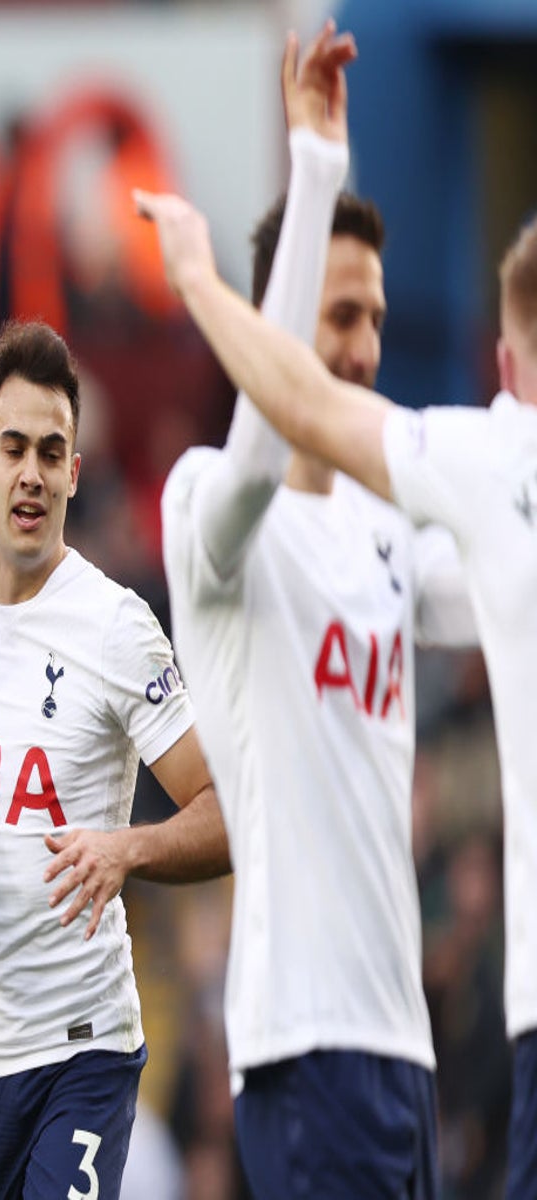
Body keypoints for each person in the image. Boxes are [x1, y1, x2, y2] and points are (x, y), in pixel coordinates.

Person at [135, 48, 537, 1200]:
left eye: (375, 317)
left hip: (403, 1049)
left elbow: (502, 587)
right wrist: (315, 167)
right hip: (302, 1042)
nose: (366, 347)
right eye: (340, 315)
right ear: (274, 325)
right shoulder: (214, 511)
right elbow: (272, 426)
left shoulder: (386, 539)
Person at [0, 317, 231, 1200]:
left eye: (51, 452)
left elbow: (225, 812)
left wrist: (126, 848)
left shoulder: (116, 626)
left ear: (74, 473)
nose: (31, 472)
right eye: (13, 447)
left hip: (83, 1048)